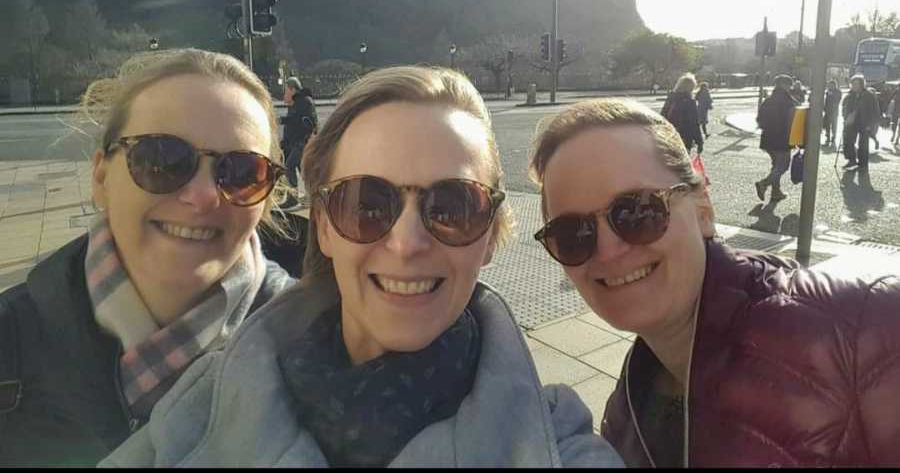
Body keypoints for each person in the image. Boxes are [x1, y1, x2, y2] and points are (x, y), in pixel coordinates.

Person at [100, 66, 623, 468]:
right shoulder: (207, 396)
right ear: (323, 226)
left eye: (453, 207)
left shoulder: (558, 442)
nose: (407, 242)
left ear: (489, 236)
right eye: (366, 204)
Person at [528, 96, 900, 467]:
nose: (608, 251)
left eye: (638, 210)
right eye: (573, 233)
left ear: (703, 210)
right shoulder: (625, 413)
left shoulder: (865, 329)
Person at [0, 49, 296, 467]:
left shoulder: (316, 344)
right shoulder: (9, 342)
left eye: (242, 172)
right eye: (162, 160)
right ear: (101, 177)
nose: (202, 196)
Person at [754, 74, 797, 203]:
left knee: (776, 166)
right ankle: (764, 184)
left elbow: (759, 120)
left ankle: (776, 192)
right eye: (789, 85)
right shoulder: (788, 101)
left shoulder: (768, 100)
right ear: (784, 85)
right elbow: (792, 121)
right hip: (782, 139)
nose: (790, 87)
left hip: (767, 138)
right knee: (783, 166)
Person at [279, 76, 318, 211]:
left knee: (289, 167)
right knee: (304, 171)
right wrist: (284, 142)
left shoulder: (305, 101)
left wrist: (281, 119)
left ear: (292, 89)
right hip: (296, 142)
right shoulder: (295, 102)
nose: (284, 93)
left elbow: (302, 122)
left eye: (286, 90)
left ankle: (293, 199)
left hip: (303, 142)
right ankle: (313, 198)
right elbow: (291, 126)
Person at [841, 74, 881, 171]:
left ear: (862, 84)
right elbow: (844, 107)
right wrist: (846, 118)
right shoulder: (850, 95)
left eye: (856, 84)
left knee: (863, 144)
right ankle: (851, 160)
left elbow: (875, 111)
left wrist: (872, 124)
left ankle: (863, 164)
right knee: (848, 141)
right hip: (852, 123)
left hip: (865, 123)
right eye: (853, 84)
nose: (854, 86)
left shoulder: (869, 96)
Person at [660, 73, 703, 155]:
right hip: (684, 138)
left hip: (669, 136)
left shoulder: (670, 98)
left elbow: (662, 116)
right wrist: (699, 142)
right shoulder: (690, 102)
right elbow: (694, 123)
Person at [823, 79, 842, 147]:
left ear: (835, 85)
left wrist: (832, 95)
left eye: (832, 85)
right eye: (829, 85)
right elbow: (826, 101)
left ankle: (833, 139)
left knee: (834, 127)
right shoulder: (827, 92)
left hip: (834, 112)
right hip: (827, 112)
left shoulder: (838, 91)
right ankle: (827, 138)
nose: (830, 86)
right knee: (827, 126)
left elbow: (838, 100)